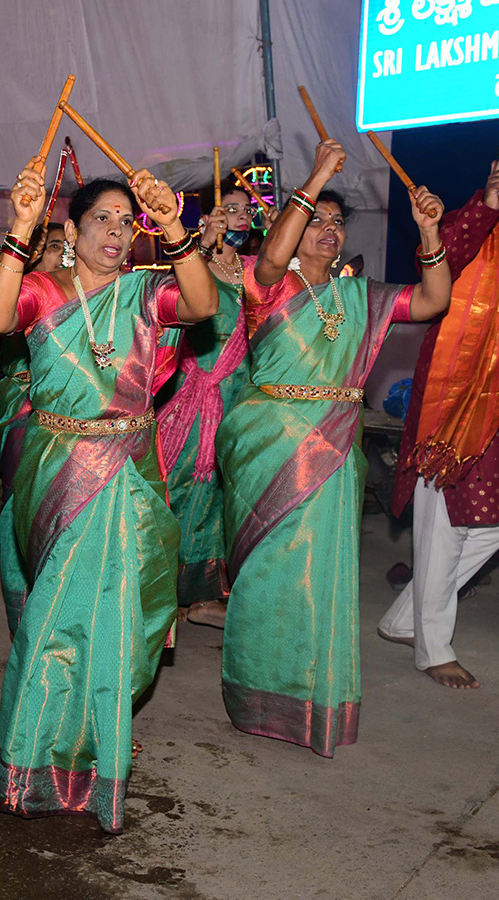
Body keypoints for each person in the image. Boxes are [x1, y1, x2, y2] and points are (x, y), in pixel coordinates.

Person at [0, 158, 218, 834]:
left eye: (124, 220)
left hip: (133, 469)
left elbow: (202, 306)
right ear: (72, 229)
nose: (115, 232)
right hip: (59, 470)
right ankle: (32, 761)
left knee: (122, 622)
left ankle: (92, 742)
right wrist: (20, 229)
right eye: (100, 220)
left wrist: (172, 225)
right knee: (59, 618)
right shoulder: (44, 292)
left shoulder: (146, 294)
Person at [215, 139, 450, 756]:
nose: (328, 230)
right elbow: (269, 257)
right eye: (315, 220)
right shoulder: (264, 285)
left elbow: (433, 301)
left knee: (323, 576)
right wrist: (318, 176)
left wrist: (430, 233)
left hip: (337, 447)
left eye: (336, 223)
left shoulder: (358, 296)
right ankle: (256, 692)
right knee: (268, 574)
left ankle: (312, 700)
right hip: (269, 445)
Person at [383, 159, 499, 689]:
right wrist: (490, 206)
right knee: (442, 526)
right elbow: (439, 262)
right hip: (454, 402)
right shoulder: (463, 220)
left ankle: (406, 617)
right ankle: (433, 648)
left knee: (484, 525)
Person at [158, 182, 272, 628]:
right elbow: (172, 299)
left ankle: (212, 593)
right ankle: (165, 587)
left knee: (230, 492)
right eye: (230, 209)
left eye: (247, 211)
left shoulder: (259, 271)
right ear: (209, 217)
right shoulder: (194, 261)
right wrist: (202, 245)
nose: (240, 218)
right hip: (191, 395)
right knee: (183, 486)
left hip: (241, 393)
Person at [0, 221, 64, 632]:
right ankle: (26, 616)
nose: (61, 254)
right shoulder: (23, 291)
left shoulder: (86, 293)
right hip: (24, 408)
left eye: (62, 245)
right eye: (51, 247)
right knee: (22, 509)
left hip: (75, 422)